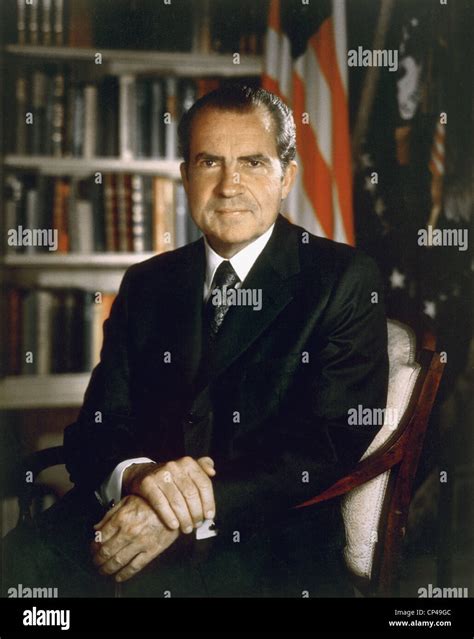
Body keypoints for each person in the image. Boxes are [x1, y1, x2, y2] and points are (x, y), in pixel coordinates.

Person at [2, 85, 388, 598]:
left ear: (286, 177)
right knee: (21, 564)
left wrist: (187, 510)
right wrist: (139, 477)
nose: (229, 185)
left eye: (252, 162)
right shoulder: (147, 283)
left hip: (261, 536)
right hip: (123, 512)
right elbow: (98, 424)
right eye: (210, 162)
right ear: (185, 177)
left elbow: (328, 442)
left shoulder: (343, 278)